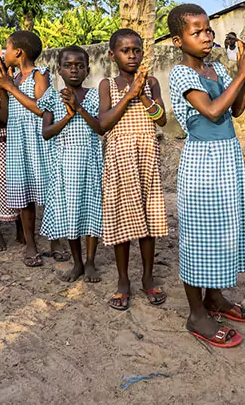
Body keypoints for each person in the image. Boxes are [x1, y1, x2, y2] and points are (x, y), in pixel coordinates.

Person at [168, 4, 245, 348]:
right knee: (199, 235)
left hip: (228, 157)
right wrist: (242, 73)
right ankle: (196, 312)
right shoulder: (181, 74)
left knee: (222, 230)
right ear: (179, 40)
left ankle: (214, 298)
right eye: (196, 32)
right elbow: (211, 110)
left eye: (208, 29)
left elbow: (236, 108)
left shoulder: (216, 68)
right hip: (203, 161)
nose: (206, 36)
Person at [99, 28, 168, 310]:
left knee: (149, 219)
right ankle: (123, 280)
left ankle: (148, 277)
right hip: (120, 158)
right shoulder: (108, 85)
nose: (132, 55)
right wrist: (129, 95)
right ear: (112, 54)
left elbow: (161, 119)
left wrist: (142, 94)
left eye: (137, 50)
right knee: (122, 219)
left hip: (146, 157)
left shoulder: (151, 83)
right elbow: (104, 124)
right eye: (125, 50)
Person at [0, 31, 67, 267]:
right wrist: (3, 87)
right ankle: (31, 244)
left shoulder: (40, 74)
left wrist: (9, 88)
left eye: (7, 47)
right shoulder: (10, 80)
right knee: (24, 193)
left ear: (19, 52)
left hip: (39, 140)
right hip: (17, 142)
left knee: (50, 189)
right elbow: (5, 115)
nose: (4, 53)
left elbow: (43, 109)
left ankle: (56, 239)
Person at [39, 45, 103, 282]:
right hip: (64, 164)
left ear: (87, 70)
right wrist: (67, 114)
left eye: (79, 66)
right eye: (68, 65)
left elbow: (100, 127)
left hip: (91, 162)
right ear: (59, 69)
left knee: (92, 211)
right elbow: (46, 132)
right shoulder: (51, 97)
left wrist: (78, 107)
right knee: (71, 213)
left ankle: (91, 262)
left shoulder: (95, 94)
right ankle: (77, 263)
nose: (74, 70)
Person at [0, 52, 21, 251]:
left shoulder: (7, 89)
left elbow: (5, 116)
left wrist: (2, 87)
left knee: (13, 187)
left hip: (6, 146)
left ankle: (21, 228)